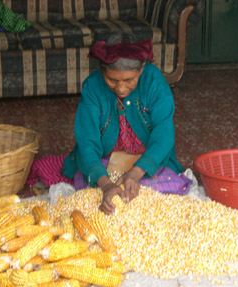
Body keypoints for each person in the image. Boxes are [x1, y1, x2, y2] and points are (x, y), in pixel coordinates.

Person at [60, 31, 191, 214]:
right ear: (101, 70)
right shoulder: (92, 86)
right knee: (90, 190)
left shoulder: (154, 81)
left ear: (142, 68)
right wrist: (105, 184)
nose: (121, 88)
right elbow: (87, 141)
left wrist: (136, 172)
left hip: (146, 159)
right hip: (106, 159)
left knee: (161, 188)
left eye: (129, 80)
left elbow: (164, 134)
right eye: (112, 79)